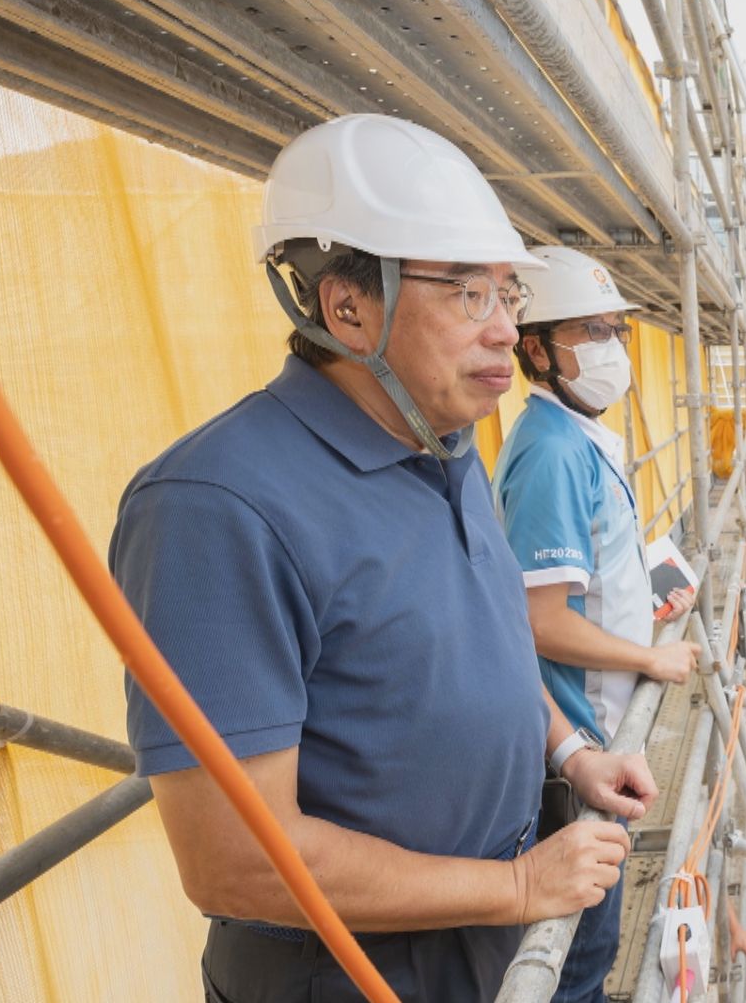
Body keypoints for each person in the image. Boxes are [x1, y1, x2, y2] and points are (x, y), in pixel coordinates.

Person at [112, 114, 657, 1001]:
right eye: (467, 293)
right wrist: (519, 887)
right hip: (355, 975)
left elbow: (487, 651)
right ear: (348, 309)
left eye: (508, 293)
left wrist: (567, 754)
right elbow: (234, 859)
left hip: (486, 943)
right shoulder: (216, 506)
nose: (505, 330)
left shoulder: (448, 447)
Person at [494, 247, 700, 1002]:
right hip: (577, 748)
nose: (612, 347)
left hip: (597, 740)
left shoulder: (577, 442)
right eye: (591, 330)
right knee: (579, 951)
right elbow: (540, 621)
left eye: (616, 329)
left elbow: (587, 585)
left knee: (594, 939)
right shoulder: (552, 454)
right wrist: (648, 658)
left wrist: (644, 606)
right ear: (536, 350)